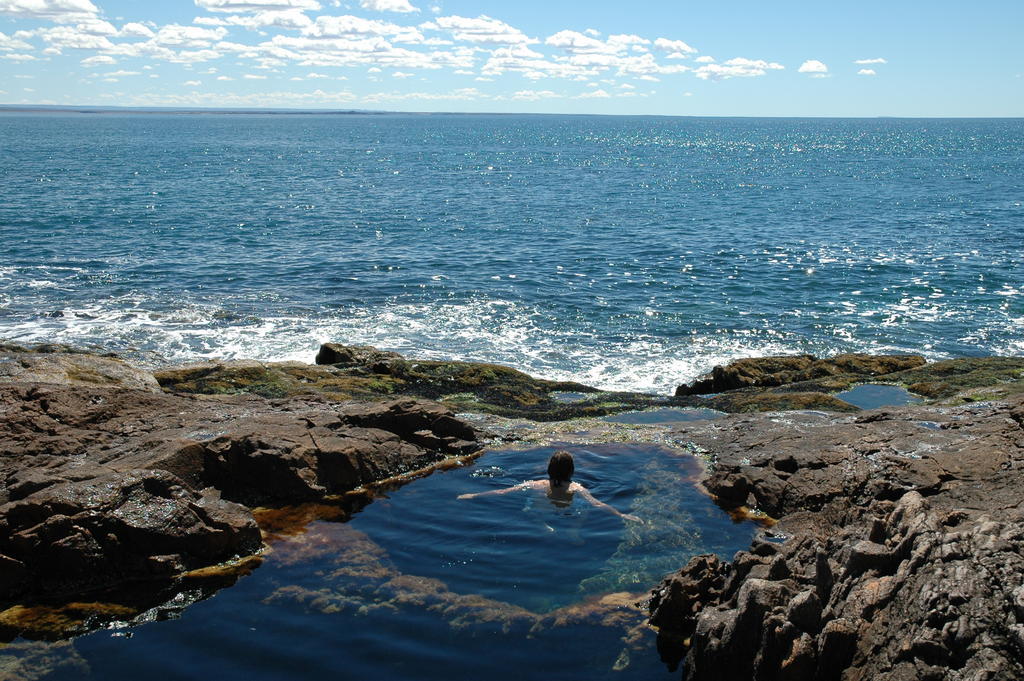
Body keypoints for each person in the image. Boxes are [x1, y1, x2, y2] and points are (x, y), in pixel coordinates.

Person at [458, 450, 641, 523]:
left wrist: (474, 495)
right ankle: (574, 533)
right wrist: (622, 514)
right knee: (582, 510)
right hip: (566, 509)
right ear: (572, 471)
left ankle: (541, 524)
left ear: (548, 470)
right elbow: (598, 504)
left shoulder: (536, 484)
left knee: (531, 508)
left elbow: (502, 491)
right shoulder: (577, 488)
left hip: (539, 509)